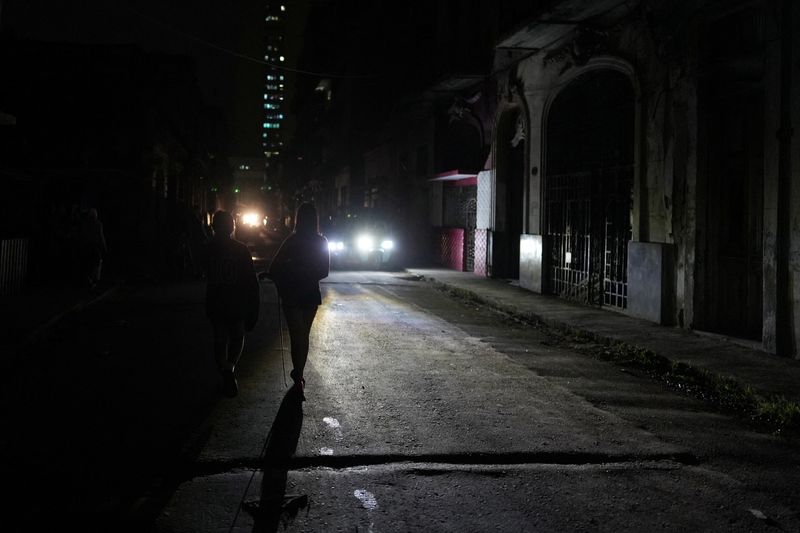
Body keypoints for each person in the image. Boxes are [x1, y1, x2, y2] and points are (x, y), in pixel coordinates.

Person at [268, 202, 329, 400]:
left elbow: (275, 266)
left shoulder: (291, 241)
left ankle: (299, 375)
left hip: (292, 294)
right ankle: (300, 374)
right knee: (304, 335)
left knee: (296, 335)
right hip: (310, 293)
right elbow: (324, 271)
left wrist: (288, 273)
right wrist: (307, 273)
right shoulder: (321, 242)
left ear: (298, 219)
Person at [203, 210, 260, 398]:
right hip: (236, 301)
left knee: (220, 340)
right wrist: (253, 305)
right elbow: (251, 281)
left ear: (214, 227)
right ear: (231, 227)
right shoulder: (241, 249)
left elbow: (201, 270)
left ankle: (224, 373)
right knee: (237, 336)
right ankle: (230, 367)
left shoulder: (209, 248)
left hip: (216, 300)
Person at [78, 207, 107, 290]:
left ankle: (90, 281)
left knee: (89, 264)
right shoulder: (97, 224)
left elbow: (82, 236)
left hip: (86, 246)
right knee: (97, 262)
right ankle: (94, 281)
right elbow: (101, 237)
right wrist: (104, 247)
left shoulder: (84, 224)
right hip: (94, 246)